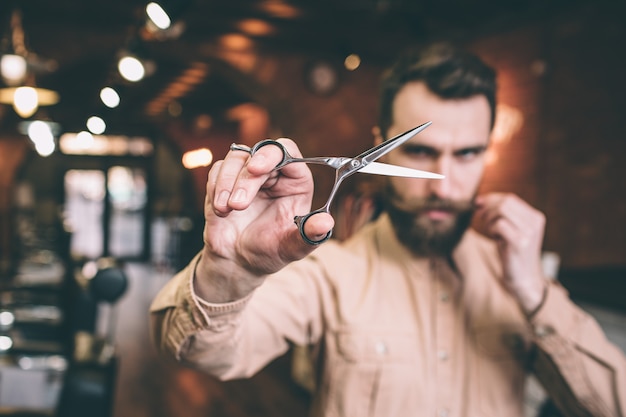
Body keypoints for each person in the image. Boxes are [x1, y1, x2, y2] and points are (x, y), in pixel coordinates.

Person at [150, 42, 626, 417]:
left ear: (486, 151)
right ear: (382, 147)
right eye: (421, 151)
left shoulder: (518, 278)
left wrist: (536, 297)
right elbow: (197, 351)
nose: (444, 182)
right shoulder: (328, 273)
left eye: (467, 154)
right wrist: (230, 273)